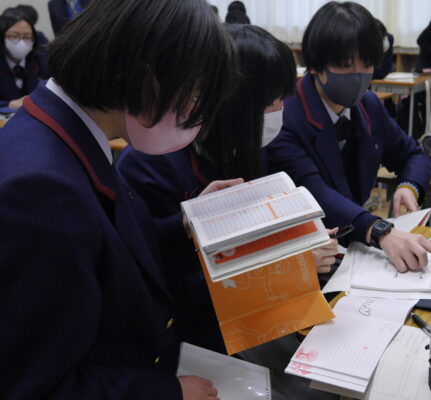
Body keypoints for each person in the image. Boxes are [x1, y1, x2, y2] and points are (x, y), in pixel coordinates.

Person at [0, 0, 238, 398]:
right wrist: (168, 393)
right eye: (193, 94)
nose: (193, 112)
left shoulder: (67, 128)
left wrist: (188, 225)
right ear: (146, 79)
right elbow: (31, 386)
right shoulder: (42, 189)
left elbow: (104, 251)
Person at [117, 24, 340, 400]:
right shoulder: (151, 164)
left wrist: (300, 242)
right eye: (272, 100)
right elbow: (164, 291)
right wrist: (290, 268)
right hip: (187, 343)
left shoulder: (242, 146)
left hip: (251, 321)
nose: (280, 110)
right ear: (234, 101)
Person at [267, 1, 431, 274]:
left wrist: (408, 187)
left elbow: (412, 153)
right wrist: (379, 230)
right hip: (307, 255)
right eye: (345, 65)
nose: (358, 75)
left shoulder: (369, 105)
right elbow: (314, 194)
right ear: (316, 66)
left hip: (356, 249)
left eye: (366, 64)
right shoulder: (285, 116)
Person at [0, 9, 48, 110]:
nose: (21, 42)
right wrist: (8, 104)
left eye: (27, 37)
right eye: (14, 36)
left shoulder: (42, 61)